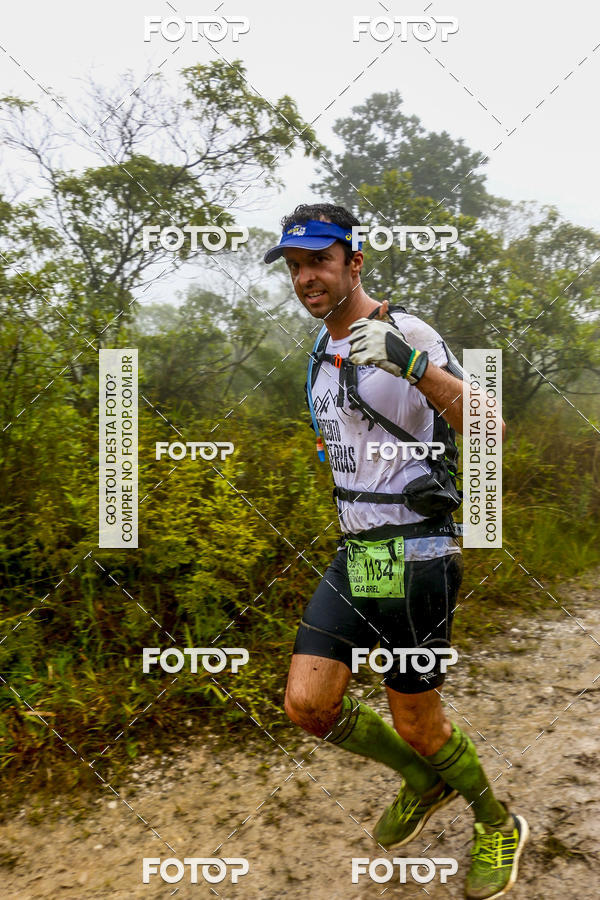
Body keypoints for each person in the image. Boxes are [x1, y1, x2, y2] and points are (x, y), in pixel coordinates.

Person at [263, 203, 528, 899]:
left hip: (420, 552)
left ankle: (496, 821)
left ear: (354, 261)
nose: (306, 278)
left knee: (417, 719)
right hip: (361, 552)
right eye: (294, 267)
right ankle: (421, 780)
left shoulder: (406, 329)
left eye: (319, 261)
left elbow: (489, 427)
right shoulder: (320, 352)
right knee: (308, 706)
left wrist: (411, 364)